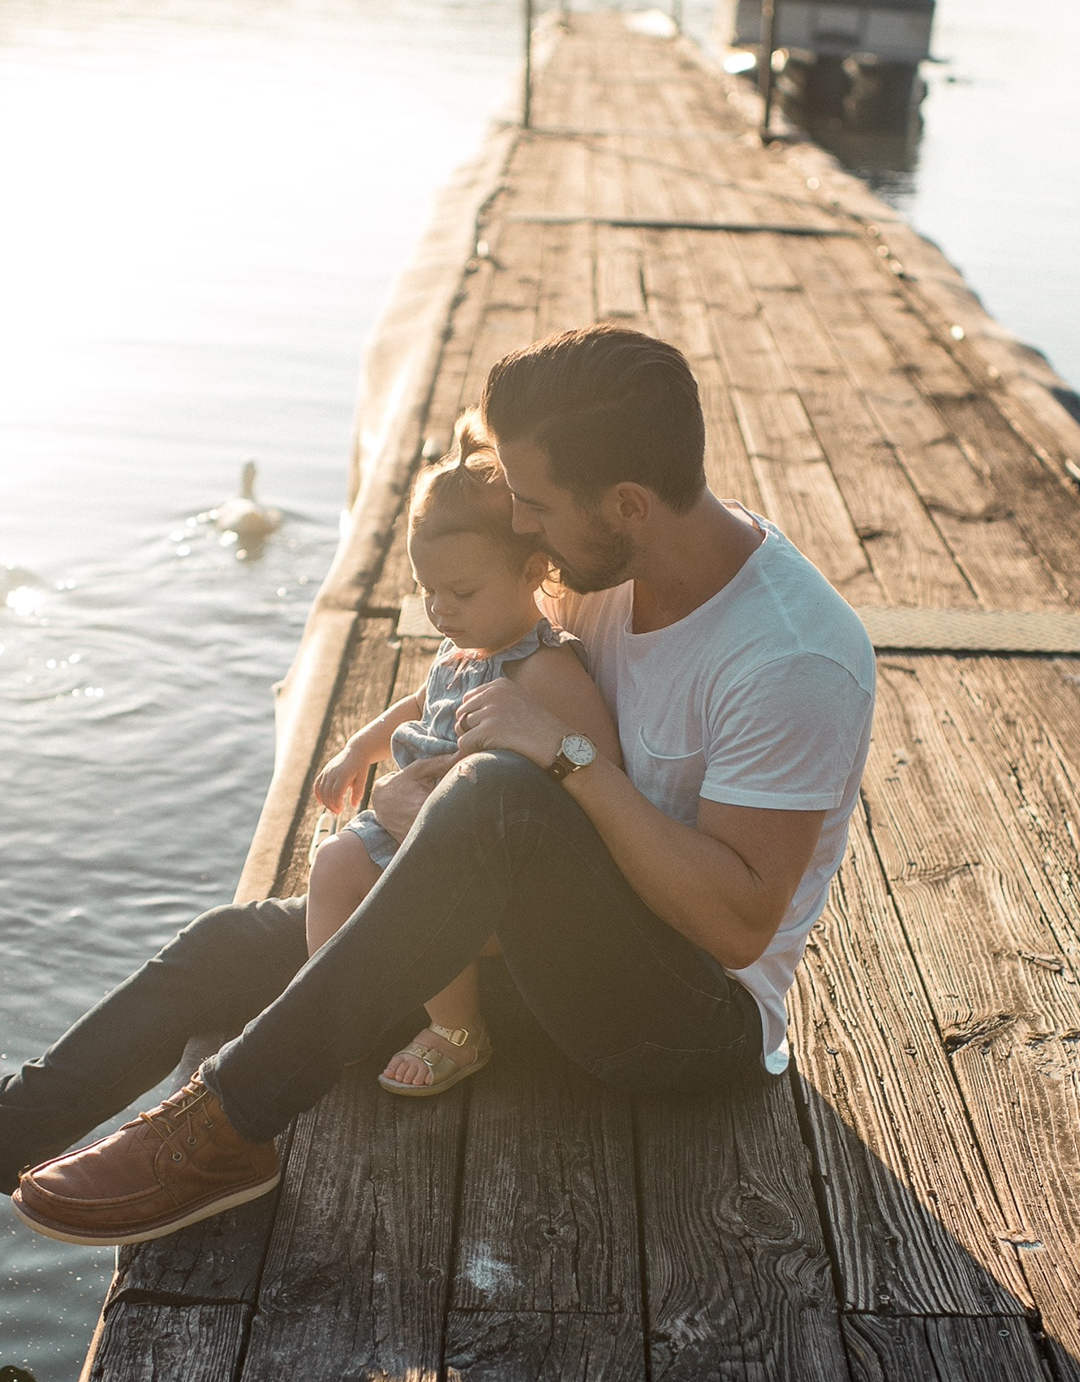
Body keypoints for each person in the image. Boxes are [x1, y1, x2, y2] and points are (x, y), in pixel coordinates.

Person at [3, 324, 875, 1249]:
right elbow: (476, 678)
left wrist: (563, 759)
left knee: (499, 795)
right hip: (533, 944)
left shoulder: (791, 657)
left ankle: (224, 1126)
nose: (520, 527)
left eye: (534, 506)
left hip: (686, 1017)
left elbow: (738, 925)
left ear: (627, 504)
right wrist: (411, 800)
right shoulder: (602, 563)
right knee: (226, 946)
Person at [306, 410, 621, 1096]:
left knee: (420, 895)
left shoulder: (543, 668)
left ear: (533, 570)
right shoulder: (462, 651)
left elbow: (600, 768)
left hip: (483, 858)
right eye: (428, 592)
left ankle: (459, 1029)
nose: (440, 611)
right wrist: (359, 749)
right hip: (413, 818)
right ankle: (336, 1008)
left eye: (462, 592)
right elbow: (418, 705)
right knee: (331, 862)